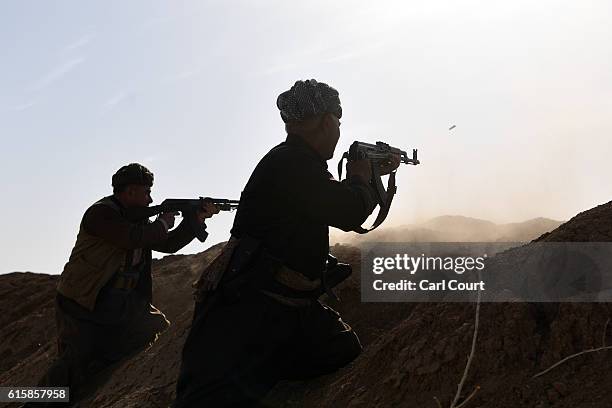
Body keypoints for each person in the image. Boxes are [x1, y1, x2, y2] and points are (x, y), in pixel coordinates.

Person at [174, 79, 400, 407]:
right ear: (326, 122)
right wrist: (361, 177)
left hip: (285, 311)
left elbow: (336, 201)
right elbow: (348, 210)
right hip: (241, 314)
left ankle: (264, 372)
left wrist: (368, 176)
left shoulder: (299, 162)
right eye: (337, 121)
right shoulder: (291, 163)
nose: (338, 130)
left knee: (341, 348)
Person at [36, 163, 219, 406]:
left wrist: (194, 219)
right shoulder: (101, 214)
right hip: (82, 302)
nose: (150, 198)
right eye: (146, 193)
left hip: (121, 301)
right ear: (130, 191)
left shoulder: (139, 219)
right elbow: (133, 238)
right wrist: (163, 221)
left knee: (155, 328)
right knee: (75, 360)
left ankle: (91, 395)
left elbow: (167, 244)